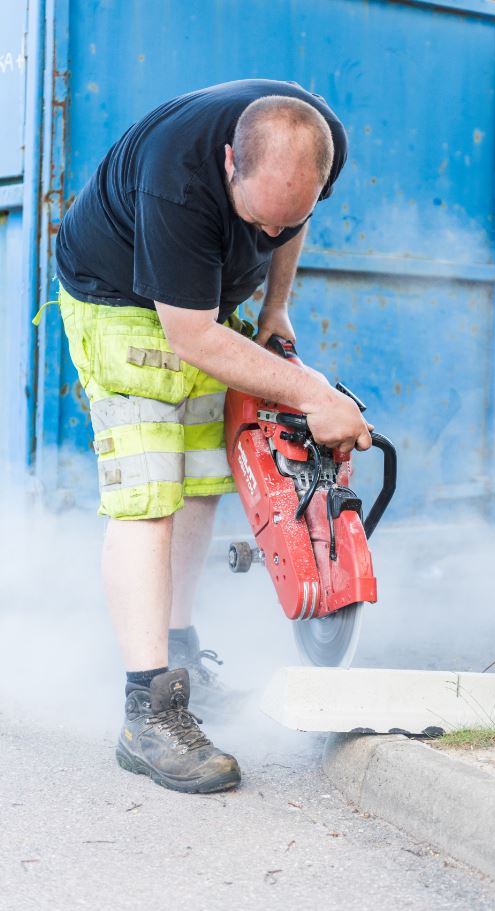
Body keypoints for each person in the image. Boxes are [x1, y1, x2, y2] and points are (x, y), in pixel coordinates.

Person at [54, 78, 371, 794]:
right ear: (231, 161)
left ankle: (179, 655)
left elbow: (287, 222)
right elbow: (191, 336)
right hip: (122, 300)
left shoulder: (317, 138)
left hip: (203, 301)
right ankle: (148, 712)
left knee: (199, 483)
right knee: (150, 496)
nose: (271, 234)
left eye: (288, 219)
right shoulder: (178, 180)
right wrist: (313, 394)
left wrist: (277, 306)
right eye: (257, 218)